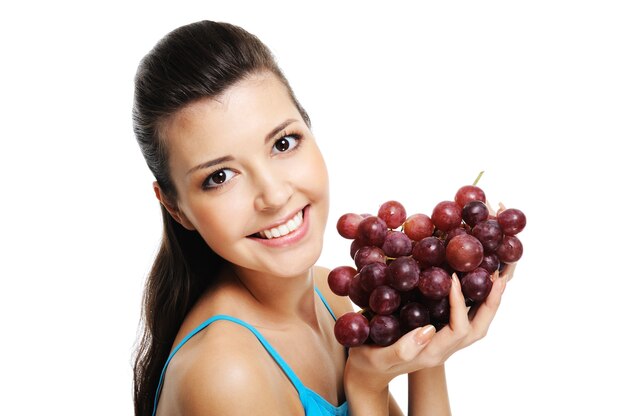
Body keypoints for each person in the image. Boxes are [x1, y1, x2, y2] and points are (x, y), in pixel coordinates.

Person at [131, 20, 512, 416]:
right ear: (175, 207)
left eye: (283, 143)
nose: (275, 195)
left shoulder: (328, 296)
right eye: (219, 177)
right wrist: (365, 389)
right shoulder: (225, 374)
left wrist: (430, 339)